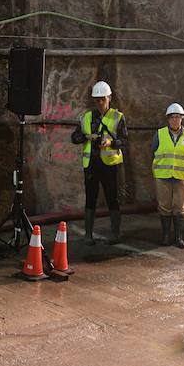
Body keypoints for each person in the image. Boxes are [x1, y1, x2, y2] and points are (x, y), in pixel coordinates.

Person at [70, 80, 129, 244]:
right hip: (91, 165)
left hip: (110, 166)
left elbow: (124, 141)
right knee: (90, 198)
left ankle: (115, 233)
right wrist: (86, 137)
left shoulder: (118, 117)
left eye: (103, 99)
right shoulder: (87, 117)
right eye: (97, 100)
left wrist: (111, 143)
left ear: (109, 97)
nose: (100, 102)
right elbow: (74, 138)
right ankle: (88, 235)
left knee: (112, 198)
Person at [152, 102, 184, 248]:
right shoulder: (159, 134)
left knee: (179, 206)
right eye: (172, 117)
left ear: (182, 118)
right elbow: (153, 151)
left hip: (181, 177)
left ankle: (178, 237)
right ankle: (165, 236)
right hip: (163, 176)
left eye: (178, 117)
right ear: (168, 119)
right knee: (164, 206)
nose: (175, 120)